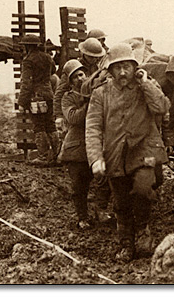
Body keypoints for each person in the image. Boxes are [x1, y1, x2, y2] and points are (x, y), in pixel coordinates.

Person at [85, 43, 170, 262]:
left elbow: (162, 107)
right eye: (118, 67)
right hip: (115, 154)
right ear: (110, 70)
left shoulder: (146, 86)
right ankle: (126, 244)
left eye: (127, 67)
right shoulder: (100, 94)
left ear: (135, 68)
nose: (123, 72)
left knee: (142, 189)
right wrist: (96, 158)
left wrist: (145, 83)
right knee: (121, 203)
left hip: (145, 151)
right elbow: (93, 127)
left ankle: (143, 231)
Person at [58, 60, 111, 229]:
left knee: (104, 180)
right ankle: (82, 217)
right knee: (79, 187)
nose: (80, 79)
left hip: (95, 146)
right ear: (70, 81)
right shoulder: (68, 98)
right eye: (75, 77)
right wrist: (89, 103)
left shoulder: (96, 92)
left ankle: (100, 210)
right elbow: (73, 118)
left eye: (82, 74)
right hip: (76, 149)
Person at [17, 35, 59, 166]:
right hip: (49, 94)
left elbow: (26, 83)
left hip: (36, 97)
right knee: (50, 125)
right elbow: (54, 70)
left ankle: (43, 156)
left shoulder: (28, 60)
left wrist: (22, 102)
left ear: (27, 46)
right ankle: (58, 156)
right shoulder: (47, 57)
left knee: (39, 126)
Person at [53, 38, 107, 132]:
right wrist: (59, 116)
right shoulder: (75, 68)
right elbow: (60, 92)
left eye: (96, 57)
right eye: (91, 57)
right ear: (84, 54)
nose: (94, 59)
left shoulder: (98, 68)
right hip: (77, 106)